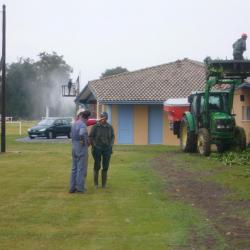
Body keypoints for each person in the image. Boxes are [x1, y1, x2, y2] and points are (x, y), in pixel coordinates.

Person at [89, 112, 115, 188]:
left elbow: (113, 137)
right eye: (102, 117)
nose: (103, 119)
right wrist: (94, 145)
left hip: (107, 149)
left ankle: (104, 184)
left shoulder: (110, 127)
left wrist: (111, 145)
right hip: (97, 149)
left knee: (105, 167)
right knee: (97, 166)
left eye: (104, 117)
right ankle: (96, 184)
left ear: (106, 118)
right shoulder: (95, 127)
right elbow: (91, 136)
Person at [69, 110, 91, 193]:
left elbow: (71, 135)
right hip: (81, 148)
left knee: (74, 168)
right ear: (86, 118)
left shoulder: (74, 123)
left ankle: (72, 187)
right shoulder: (82, 124)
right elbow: (82, 134)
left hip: (74, 146)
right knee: (81, 168)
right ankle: (80, 188)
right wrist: (85, 141)